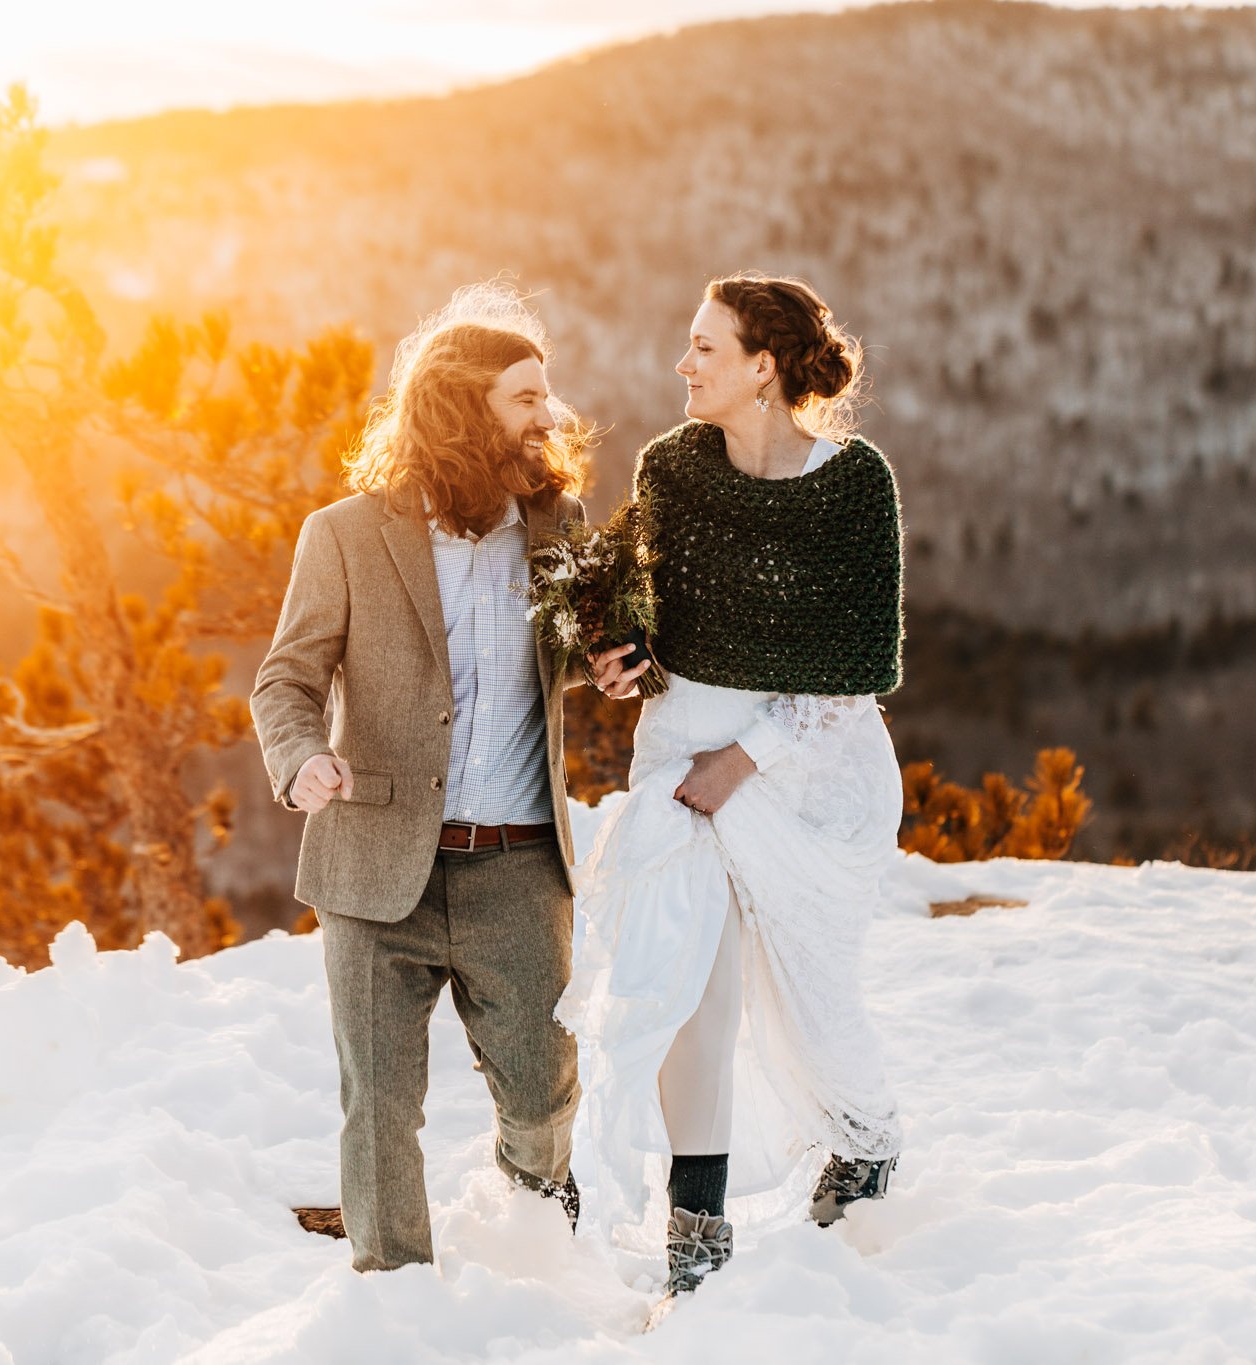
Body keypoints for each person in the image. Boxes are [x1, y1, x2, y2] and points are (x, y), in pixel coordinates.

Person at [562, 273, 906, 1301]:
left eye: (705, 348)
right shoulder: (670, 468)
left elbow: (848, 679)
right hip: (680, 759)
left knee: (811, 995)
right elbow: (639, 605)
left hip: (811, 775)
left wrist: (743, 761)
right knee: (683, 989)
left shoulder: (854, 487)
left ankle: (866, 1141)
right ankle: (695, 1228)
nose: (684, 365)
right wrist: (613, 652)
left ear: (764, 367)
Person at [251, 283, 591, 1273]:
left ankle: (537, 1246)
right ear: (460, 407)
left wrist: (625, 662)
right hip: (372, 867)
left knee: (541, 1093)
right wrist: (300, 757)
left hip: (519, 869)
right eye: (526, 397)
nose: (547, 415)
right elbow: (286, 679)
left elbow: (604, 650)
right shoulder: (345, 535)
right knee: (380, 1108)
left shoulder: (557, 525)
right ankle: (391, 1301)